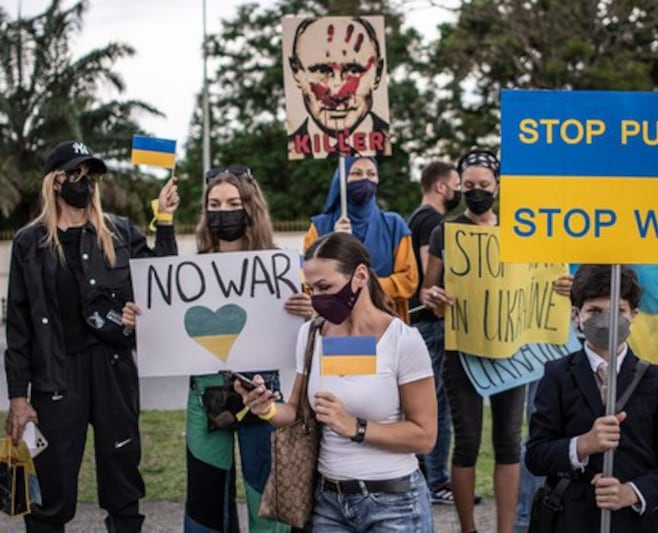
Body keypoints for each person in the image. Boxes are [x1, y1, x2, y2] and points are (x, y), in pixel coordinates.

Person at [122, 167, 312, 533]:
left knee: (266, 501)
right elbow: (159, 311)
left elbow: (314, 330)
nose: (223, 211)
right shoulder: (191, 269)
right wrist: (139, 320)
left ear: (250, 208)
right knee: (206, 502)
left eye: (232, 203)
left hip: (261, 393)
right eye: (214, 204)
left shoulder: (279, 265)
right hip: (204, 396)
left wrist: (311, 311)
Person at [4, 139, 179, 532]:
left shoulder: (118, 232)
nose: (85, 183)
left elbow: (160, 283)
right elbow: (18, 325)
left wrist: (164, 220)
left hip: (112, 370)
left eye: (91, 176)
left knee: (122, 482)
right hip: (55, 376)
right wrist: (18, 397)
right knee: (50, 490)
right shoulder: (29, 243)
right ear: (55, 181)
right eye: (76, 174)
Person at [236, 231, 436, 531]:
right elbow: (296, 411)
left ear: (359, 276)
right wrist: (265, 408)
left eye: (325, 286)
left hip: (394, 505)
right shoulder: (311, 334)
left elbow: (424, 436)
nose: (317, 297)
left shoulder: (403, 340)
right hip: (328, 504)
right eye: (312, 288)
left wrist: (356, 427)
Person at [526, 264, 658, 532]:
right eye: (594, 311)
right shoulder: (557, 375)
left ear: (634, 315)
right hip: (572, 520)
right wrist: (581, 445)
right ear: (576, 314)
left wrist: (632, 492)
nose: (607, 320)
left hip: (636, 523)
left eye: (618, 311)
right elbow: (535, 456)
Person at [420, 149, 524, 533]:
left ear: (497, 186)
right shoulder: (444, 231)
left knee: (509, 441)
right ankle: (468, 529)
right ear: (458, 187)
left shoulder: (518, 228)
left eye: (484, 185)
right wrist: (432, 296)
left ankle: (506, 529)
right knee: (466, 442)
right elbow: (427, 291)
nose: (477, 191)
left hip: (511, 352)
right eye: (469, 186)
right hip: (462, 351)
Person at [303, 156, 418, 322]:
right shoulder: (320, 227)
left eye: (371, 174)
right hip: (335, 325)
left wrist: (361, 288)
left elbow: (408, 280)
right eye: (356, 173)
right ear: (341, 180)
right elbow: (308, 282)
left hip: (383, 323)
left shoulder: (394, 225)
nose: (365, 179)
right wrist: (334, 242)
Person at [406, 161, 461, 503]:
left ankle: (431, 475)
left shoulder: (415, 217)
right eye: (457, 183)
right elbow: (432, 273)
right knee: (438, 401)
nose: (459, 191)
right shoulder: (432, 221)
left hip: (420, 323)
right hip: (432, 322)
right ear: (441, 187)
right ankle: (437, 479)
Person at [286, 16, 390, 159]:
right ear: (296, 72)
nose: (336, 93)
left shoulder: (391, 143)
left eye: (354, 71)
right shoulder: (291, 151)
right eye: (322, 71)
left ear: (378, 73)